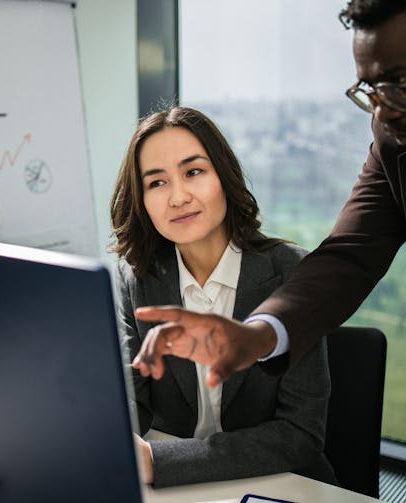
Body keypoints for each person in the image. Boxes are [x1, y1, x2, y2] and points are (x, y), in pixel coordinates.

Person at [131, 1, 406, 500]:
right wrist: (257, 336)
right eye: (370, 90)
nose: (382, 113)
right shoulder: (400, 132)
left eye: (398, 83)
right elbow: (350, 251)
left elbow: (299, 436)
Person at [110, 105, 337, 488]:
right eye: (156, 183)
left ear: (223, 176)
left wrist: (159, 461)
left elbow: (300, 435)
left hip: (282, 483)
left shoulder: (291, 273)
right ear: (142, 201)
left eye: (193, 172)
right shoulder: (138, 278)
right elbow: (132, 402)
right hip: (181, 490)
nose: (178, 197)